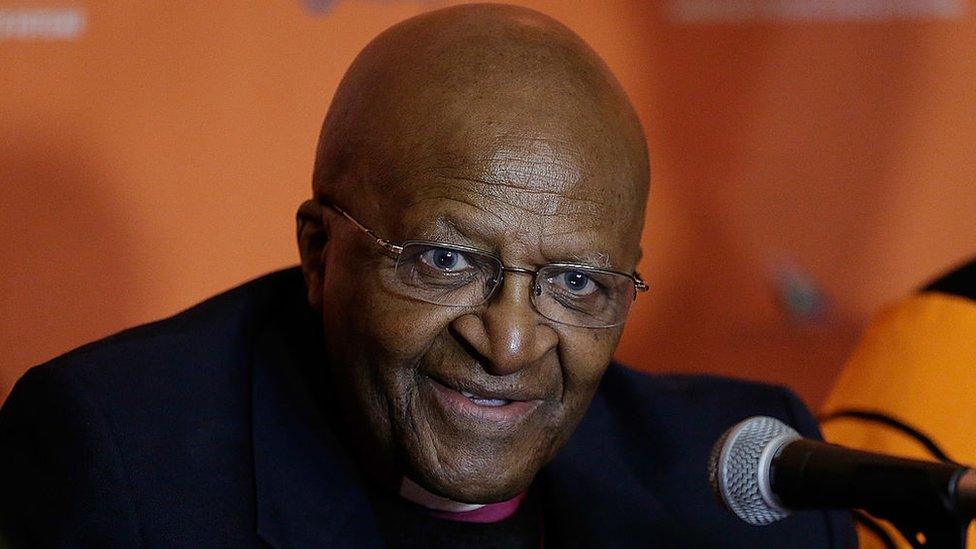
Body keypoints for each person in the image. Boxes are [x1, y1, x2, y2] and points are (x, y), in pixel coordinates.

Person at [0, 4, 854, 547]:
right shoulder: (121, 468)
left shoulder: (752, 492)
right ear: (318, 251)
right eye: (448, 261)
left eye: (579, 284)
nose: (511, 341)